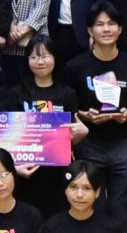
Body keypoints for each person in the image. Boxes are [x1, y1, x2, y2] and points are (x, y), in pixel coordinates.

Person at [63, 4, 127, 211]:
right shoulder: (75, 67)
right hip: (89, 143)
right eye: (99, 24)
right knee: (91, 208)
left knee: (123, 210)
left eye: (111, 24)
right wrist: (86, 115)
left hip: (124, 143)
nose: (106, 29)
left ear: (120, 29)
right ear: (90, 30)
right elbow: (68, 111)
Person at [12, 37, 87, 213]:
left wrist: (81, 134)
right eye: (34, 57)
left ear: (55, 58)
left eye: (45, 56)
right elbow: (11, 137)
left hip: (57, 170)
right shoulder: (16, 93)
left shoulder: (68, 94)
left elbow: (71, 138)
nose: (40, 62)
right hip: (26, 170)